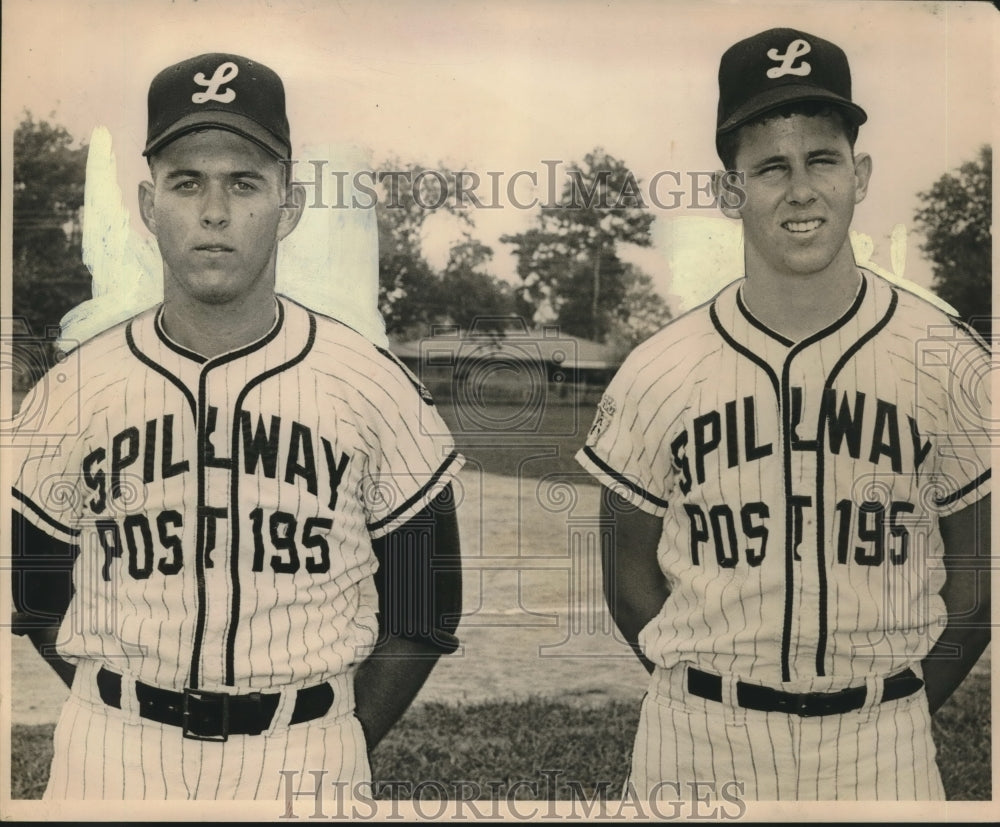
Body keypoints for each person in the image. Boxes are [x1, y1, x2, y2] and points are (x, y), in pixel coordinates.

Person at [10, 52, 465, 800]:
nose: (214, 211)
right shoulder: (72, 391)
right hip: (108, 758)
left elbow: (425, 611)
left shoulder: (374, 388)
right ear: (149, 205)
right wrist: (123, 706)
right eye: (187, 182)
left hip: (305, 755)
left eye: (244, 182)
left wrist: (339, 734)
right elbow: (35, 595)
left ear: (289, 206)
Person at [577, 27, 991, 801]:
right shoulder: (658, 368)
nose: (801, 189)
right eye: (771, 166)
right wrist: (714, 695)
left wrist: (887, 713)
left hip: (883, 743)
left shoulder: (948, 358)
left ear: (859, 174)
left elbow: (974, 595)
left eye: (822, 159)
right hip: (697, 740)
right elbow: (630, 586)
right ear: (731, 191)